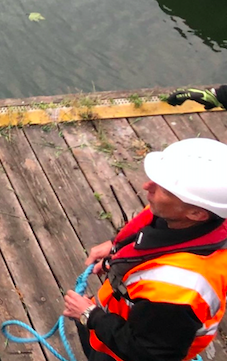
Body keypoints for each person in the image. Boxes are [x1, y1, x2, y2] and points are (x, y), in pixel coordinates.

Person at [62, 138, 227, 361]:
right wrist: (116, 246)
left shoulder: (178, 291)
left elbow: (147, 354)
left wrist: (89, 315)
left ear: (197, 214)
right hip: (130, 316)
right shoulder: (192, 216)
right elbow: (152, 229)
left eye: (164, 189)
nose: (147, 187)